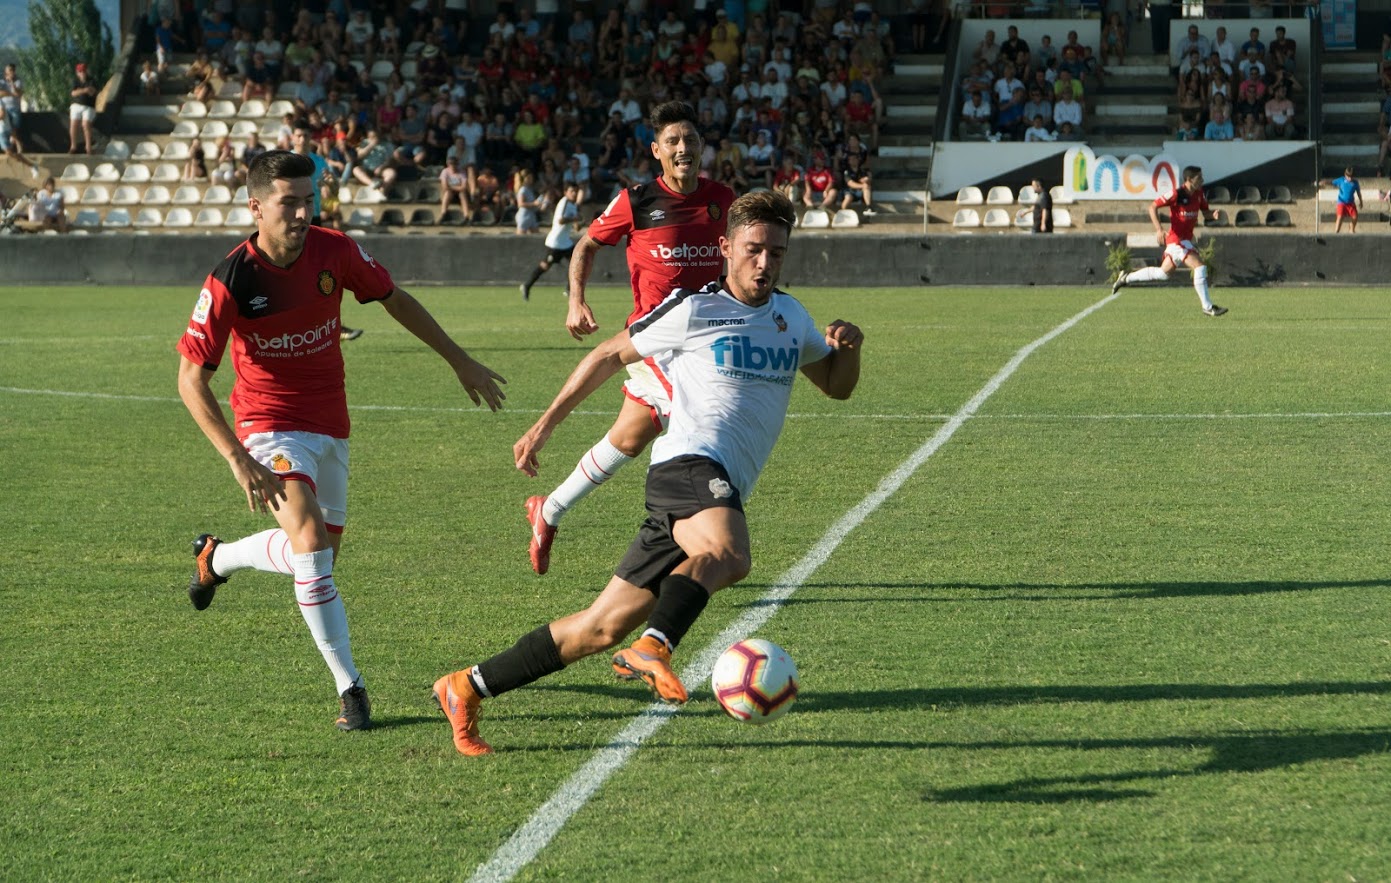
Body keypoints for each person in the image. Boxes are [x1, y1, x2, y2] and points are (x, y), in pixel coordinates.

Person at [433, 191, 864, 756]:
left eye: (776, 253)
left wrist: (850, 348)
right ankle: (655, 645)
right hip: (689, 465)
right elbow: (606, 356)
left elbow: (836, 385)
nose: (765, 263)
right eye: (753, 249)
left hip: (706, 489)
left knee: (600, 628)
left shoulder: (792, 318)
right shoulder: (694, 309)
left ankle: (466, 686)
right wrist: (542, 428)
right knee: (729, 554)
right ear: (725, 247)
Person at [176, 150, 506, 732]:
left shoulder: (336, 250)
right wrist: (236, 457)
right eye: (288, 203)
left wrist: (460, 360)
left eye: (309, 200)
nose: (303, 213)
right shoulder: (232, 279)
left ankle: (217, 558)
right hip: (268, 425)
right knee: (309, 546)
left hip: (331, 423)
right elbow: (190, 379)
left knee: (318, 559)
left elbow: (394, 299)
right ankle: (350, 688)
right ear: (256, 208)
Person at [525, 101, 736, 576]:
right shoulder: (636, 201)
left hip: (704, 338)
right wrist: (576, 300)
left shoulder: (722, 198)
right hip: (653, 338)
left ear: (702, 147)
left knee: (627, 438)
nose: (683, 148)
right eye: (673, 141)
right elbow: (586, 245)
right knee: (697, 417)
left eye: (691, 139)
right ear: (657, 150)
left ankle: (548, 510)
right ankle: (686, 533)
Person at [1111, 165, 1227, 317]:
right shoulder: (1176, 194)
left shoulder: (1199, 194)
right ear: (1188, 179)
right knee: (1199, 267)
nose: (1202, 180)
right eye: (1199, 178)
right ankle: (1207, 307)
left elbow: (1205, 213)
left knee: (1163, 274)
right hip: (1177, 241)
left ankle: (1126, 278)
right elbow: (1152, 207)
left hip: (1184, 241)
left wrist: (1213, 214)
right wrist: (1159, 229)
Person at [522, 182, 583, 300]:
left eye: (576, 191)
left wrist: (580, 223)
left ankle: (569, 290)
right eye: (572, 191)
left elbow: (576, 227)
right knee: (544, 266)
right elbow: (560, 220)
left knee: (577, 263)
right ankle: (527, 285)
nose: (574, 193)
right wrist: (574, 218)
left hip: (566, 243)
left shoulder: (573, 205)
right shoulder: (564, 202)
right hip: (556, 242)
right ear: (565, 192)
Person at [1320, 168, 1363, 233]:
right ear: (1345, 175)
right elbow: (1332, 182)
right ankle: (1336, 232)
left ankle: (1351, 229)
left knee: (1355, 217)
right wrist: (1324, 182)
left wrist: (1361, 201)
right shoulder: (1341, 180)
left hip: (1351, 203)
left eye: (1351, 177)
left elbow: (1358, 193)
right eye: (1348, 177)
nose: (1350, 179)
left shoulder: (1355, 183)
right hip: (1341, 202)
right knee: (1340, 217)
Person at [69, 63, 98, 154]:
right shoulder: (75, 81)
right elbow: (73, 93)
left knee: (85, 124)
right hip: (76, 105)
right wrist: (85, 90)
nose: (82, 73)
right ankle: (73, 146)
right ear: (77, 72)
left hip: (88, 106)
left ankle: (88, 147)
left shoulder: (92, 80)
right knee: (74, 124)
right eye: (80, 71)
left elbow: (92, 92)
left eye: (84, 71)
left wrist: (80, 91)